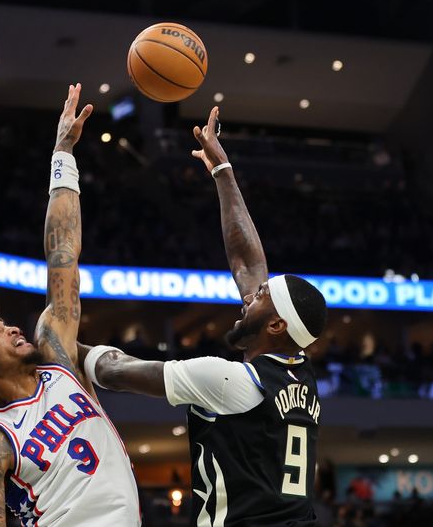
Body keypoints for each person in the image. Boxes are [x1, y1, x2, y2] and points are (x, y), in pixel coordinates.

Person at [79, 106, 327, 526]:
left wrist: (54, 340)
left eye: (261, 298)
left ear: (276, 325)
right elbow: (249, 266)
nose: (250, 296)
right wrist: (223, 170)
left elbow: (117, 371)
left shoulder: (230, 381)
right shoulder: (299, 371)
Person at [0, 84, 140, 527]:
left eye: (2, 323)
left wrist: (63, 155)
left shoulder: (56, 355)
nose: (11, 329)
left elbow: (63, 256)